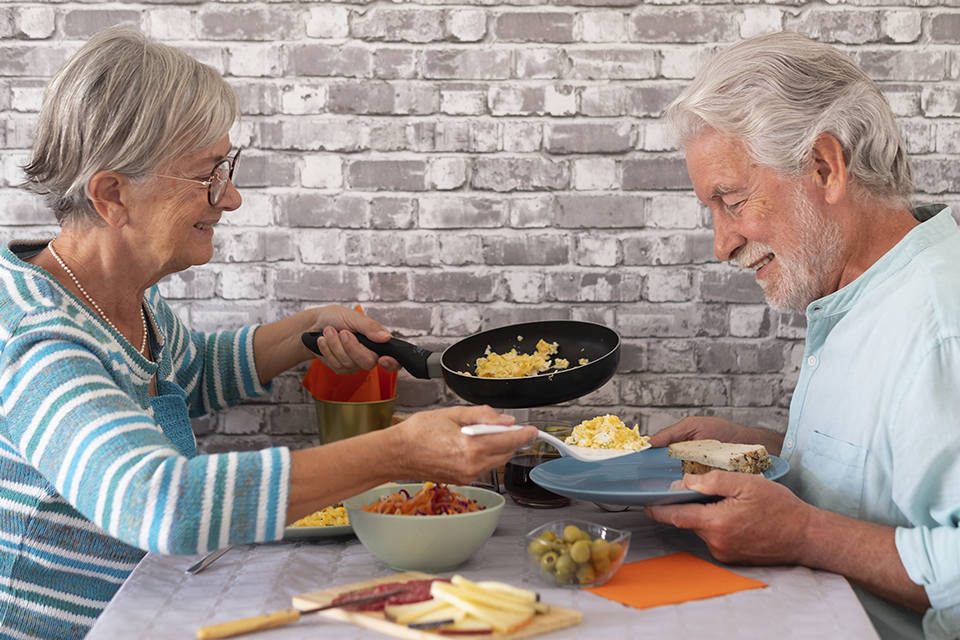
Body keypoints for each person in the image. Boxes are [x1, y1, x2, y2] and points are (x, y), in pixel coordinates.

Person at [0, 25, 537, 639]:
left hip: (150, 606)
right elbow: (161, 500)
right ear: (112, 194)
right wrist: (398, 452)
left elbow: (191, 371)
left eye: (225, 167)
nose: (230, 198)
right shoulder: (35, 335)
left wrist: (307, 329)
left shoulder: (116, 296)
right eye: (207, 175)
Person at [642, 32, 960, 640]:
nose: (722, 243)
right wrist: (762, 447)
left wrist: (804, 533)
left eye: (732, 201)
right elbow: (888, 480)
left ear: (824, 166)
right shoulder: (860, 294)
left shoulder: (939, 327)